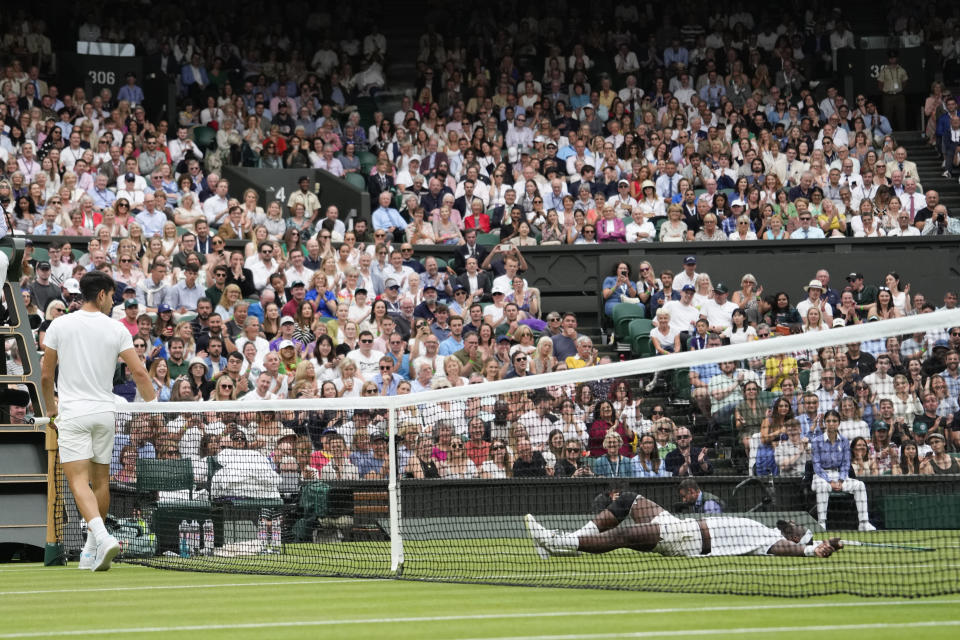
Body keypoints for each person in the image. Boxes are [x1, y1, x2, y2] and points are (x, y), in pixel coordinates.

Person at [41, 271, 157, 572]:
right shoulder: (116, 329)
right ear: (102, 294)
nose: (113, 302)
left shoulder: (60, 324)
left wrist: (51, 410)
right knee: (101, 481)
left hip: (73, 414)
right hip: (105, 414)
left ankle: (102, 538)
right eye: (112, 296)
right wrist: (154, 407)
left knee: (78, 481)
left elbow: (45, 375)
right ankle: (91, 551)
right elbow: (140, 374)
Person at [524, 492, 842, 559]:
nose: (795, 524)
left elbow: (787, 549)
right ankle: (564, 544)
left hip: (686, 541)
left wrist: (812, 550)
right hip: (681, 524)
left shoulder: (769, 542)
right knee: (628, 500)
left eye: (801, 529)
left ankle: (558, 542)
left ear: (797, 537)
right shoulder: (765, 527)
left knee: (622, 537)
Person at [811, 410, 876, 531]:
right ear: (824, 423)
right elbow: (816, 466)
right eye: (828, 421)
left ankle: (864, 522)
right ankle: (821, 523)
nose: (831, 424)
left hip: (839, 475)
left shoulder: (845, 441)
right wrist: (830, 481)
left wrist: (840, 480)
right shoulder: (816, 441)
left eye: (834, 421)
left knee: (860, 485)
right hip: (820, 477)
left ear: (839, 423)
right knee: (822, 487)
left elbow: (846, 464)